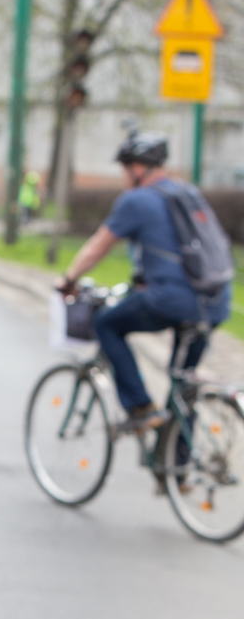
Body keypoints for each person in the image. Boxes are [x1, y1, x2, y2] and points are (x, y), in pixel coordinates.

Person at [59, 133, 232, 431]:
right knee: (184, 384)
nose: (124, 177)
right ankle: (179, 458)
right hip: (216, 300)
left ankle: (140, 407)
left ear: (137, 168)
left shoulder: (136, 200)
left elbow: (98, 247)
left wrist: (68, 279)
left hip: (174, 300)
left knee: (106, 324)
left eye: (125, 169)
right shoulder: (187, 192)